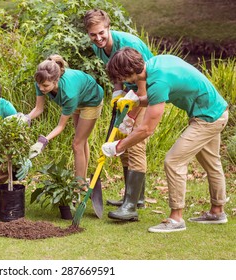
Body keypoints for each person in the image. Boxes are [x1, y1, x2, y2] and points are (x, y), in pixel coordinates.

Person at [102, 47, 229, 233]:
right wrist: (135, 102)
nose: (122, 81)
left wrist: (118, 146)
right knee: (212, 163)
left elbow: (146, 129)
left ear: (129, 72)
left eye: (122, 77)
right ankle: (217, 212)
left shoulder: (158, 81)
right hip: (216, 110)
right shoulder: (156, 64)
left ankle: (176, 218)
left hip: (208, 118)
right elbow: (153, 98)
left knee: (173, 161)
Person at [83, 9, 154, 221]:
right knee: (123, 143)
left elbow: (143, 81)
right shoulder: (100, 47)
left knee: (135, 143)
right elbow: (116, 72)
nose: (98, 38)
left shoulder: (127, 44)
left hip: (148, 90)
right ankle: (133, 198)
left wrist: (131, 117)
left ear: (108, 27)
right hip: (129, 91)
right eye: (93, 35)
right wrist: (117, 92)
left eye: (101, 33)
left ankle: (131, 206)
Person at [25, 54, 104, 185]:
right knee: (81, 141)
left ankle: (79, 186)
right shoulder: (41, 80)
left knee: (77, 144)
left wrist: (43, 141)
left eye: (45, 86)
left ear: (56, 81)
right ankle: (83, 182)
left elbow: (60, 126)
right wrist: (25, 118)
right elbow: (38, 109)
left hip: (91, 100)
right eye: (39, 85)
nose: (41, 88)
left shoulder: (69, 93)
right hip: (78, 97)